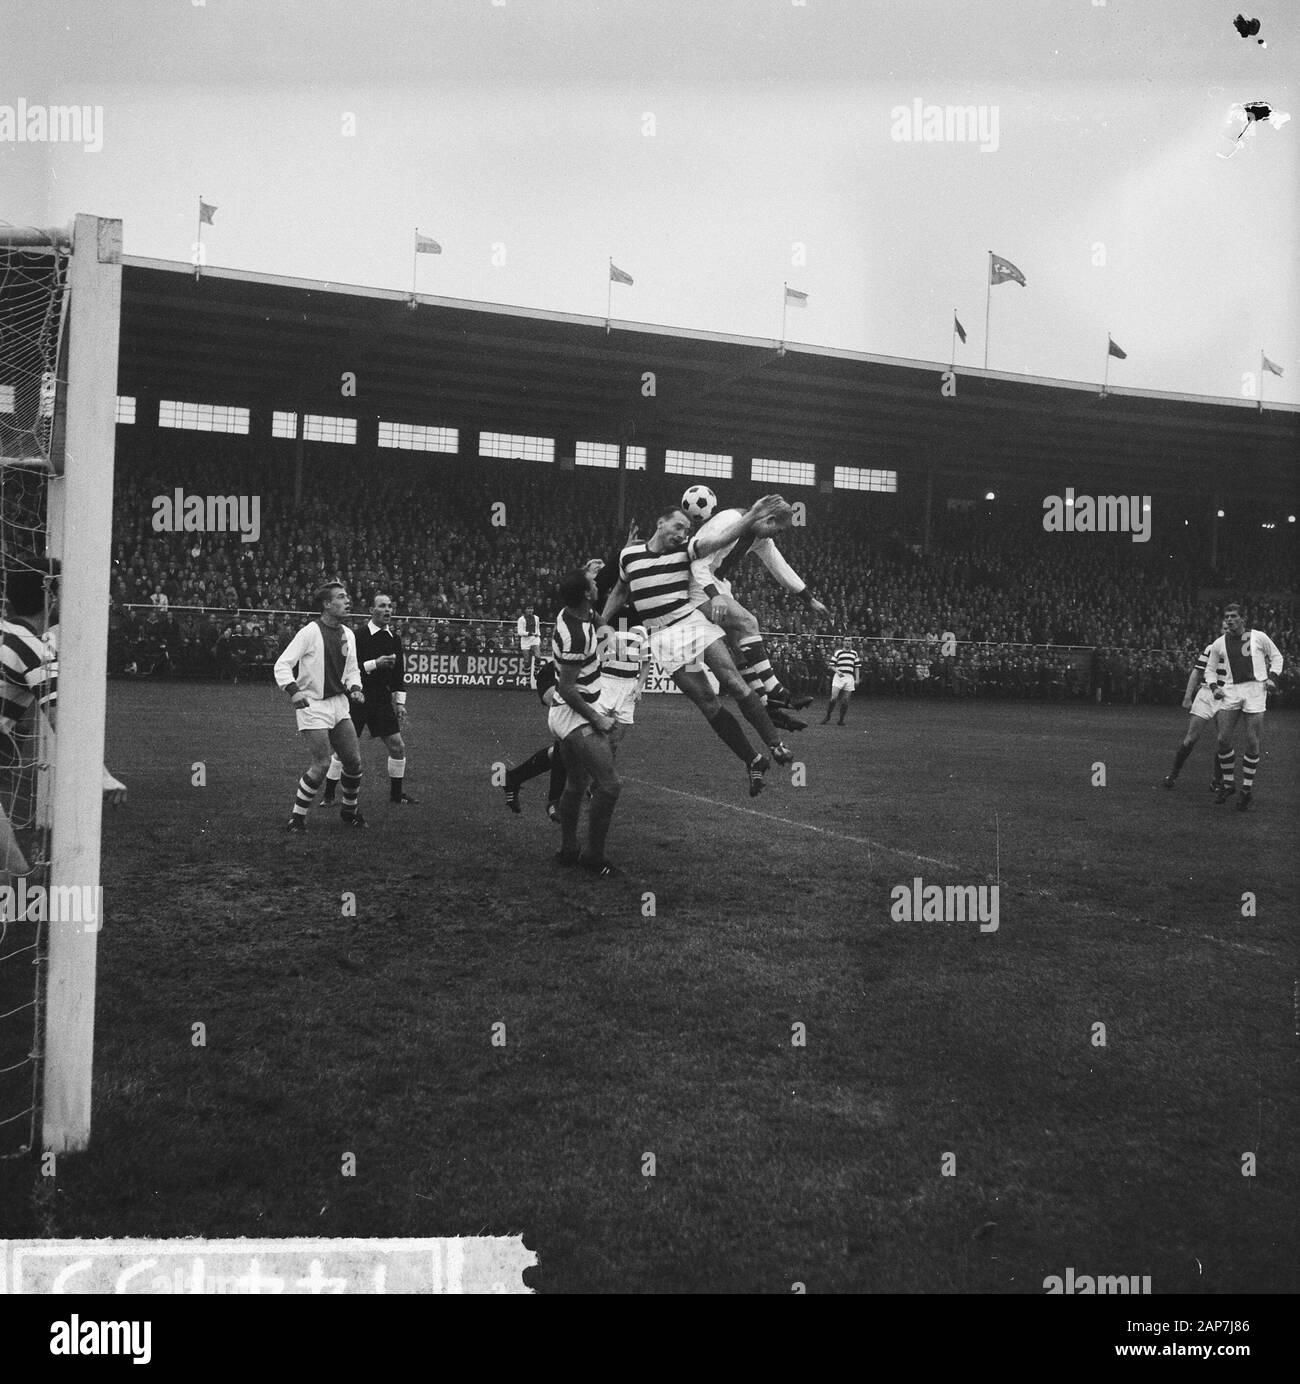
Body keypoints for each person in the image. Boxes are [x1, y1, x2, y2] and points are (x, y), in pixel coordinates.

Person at [600, 497, 794, 797]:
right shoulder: (629, 555)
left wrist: (753, 515)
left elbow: (722, 538)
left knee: (734, 682)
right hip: (661, 639)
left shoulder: (685, 551)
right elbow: (619, 591)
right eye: (678, 526)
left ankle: (775, 742)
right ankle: (753, 760)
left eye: (686, 529)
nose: (682, 534)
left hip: (691, 624)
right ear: (660, 522)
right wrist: (601, 621)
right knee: (707, 702)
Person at [687, 497, 828, 722]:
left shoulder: (760, 536)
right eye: (777, 530)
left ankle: (766, 705)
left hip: (717, 582)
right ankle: (776, 692)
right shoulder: (730, 519)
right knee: (748, 622)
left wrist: (808, 598)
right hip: (697, 581)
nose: (775, 535)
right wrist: (715, 597)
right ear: (769, 519)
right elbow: (696, 562)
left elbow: (779, 565)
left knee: (740, 645)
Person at [273, 582, 367, 831]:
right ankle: (297, 817)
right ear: (326, 604)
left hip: (339, 704)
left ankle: (349, 811)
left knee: (354, 762)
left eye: (347, 596)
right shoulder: (310, 632)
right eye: (341, 597)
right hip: (312, 705)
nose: (347, 601)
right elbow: (282, 665)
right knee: (322, 764)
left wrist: (356, 688)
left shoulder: (348, 634)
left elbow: (352, 670)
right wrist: (293, 692)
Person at [550, 566, 621, 877]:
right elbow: (566, 688)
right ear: (585, 594)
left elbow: (599, 621)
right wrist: (598, 719)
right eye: (593, 583)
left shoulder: (583, 612)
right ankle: (593, 856)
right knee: (609, 785)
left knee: (577, 784)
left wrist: (606, 631)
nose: (598, 585)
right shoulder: (574, 635)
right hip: (573, 713)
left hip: (570, 711)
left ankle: (568, 849)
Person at [322, 592, 416, 806]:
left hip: (382, 699)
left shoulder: (394, 638)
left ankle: (396, 795)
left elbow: (398, 674)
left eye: (390, 606)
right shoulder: (357, 636)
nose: (388, 610)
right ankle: (328, 795)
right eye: (382, 606)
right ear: (371, 611)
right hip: (357, 698)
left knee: (397, 746)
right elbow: (348, 669)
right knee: (342, 750)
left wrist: (400, 703)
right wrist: (376, 663)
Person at [1203, 603, 1283, 811]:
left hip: (1255, 690)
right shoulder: (1219, 643)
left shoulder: (1259, 637)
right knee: (1222, 739)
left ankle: (1246, 789)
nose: (1229, 619)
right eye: (1227, 616)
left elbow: (1277, 657)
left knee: (1252, 741)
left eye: (1234, 616)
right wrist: (1214, 687)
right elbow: (1209, 669)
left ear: (1242, 619)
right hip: (1230, 690)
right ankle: (1229, 783)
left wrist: (1272, 678)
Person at [1164, 619, 1228, 791]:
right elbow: (1196, 672)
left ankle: (1216, 781)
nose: (1227, 629)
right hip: (1207, 695)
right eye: (1224, 627)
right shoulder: (1211, 648)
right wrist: (1187, 696)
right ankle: (1173, 775)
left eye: (1230, 627)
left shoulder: (1240, 653)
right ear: (1220, 630)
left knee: (1223, 741)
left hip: (1227, 697)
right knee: (1191, 738)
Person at [821, 641, 861, 725]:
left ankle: (841, 719)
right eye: (846, 641)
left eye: (849, 641)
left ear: (851, 642)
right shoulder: (838, 652)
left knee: (845, 701)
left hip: (849, 678)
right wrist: (837, 671)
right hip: (838, 677)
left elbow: (857, 667)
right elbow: (831, 665)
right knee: (833, 698)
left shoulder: (854, 653)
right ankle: (828, 715)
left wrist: (857, 679)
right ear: (843, 642)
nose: (848, 642)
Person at [516, 604, 543, 676]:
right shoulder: (521, 619)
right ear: (525, 610)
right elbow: (520, 632)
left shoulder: (536, 618)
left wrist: (537, 634)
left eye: (531, 608)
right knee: (527, 661)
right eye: (528, 608)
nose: (530, 610)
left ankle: (536, 672)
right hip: (525, 640)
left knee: (538, 657)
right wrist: (529, 633)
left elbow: (537, 628)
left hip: (534, 639)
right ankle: (527, 679)